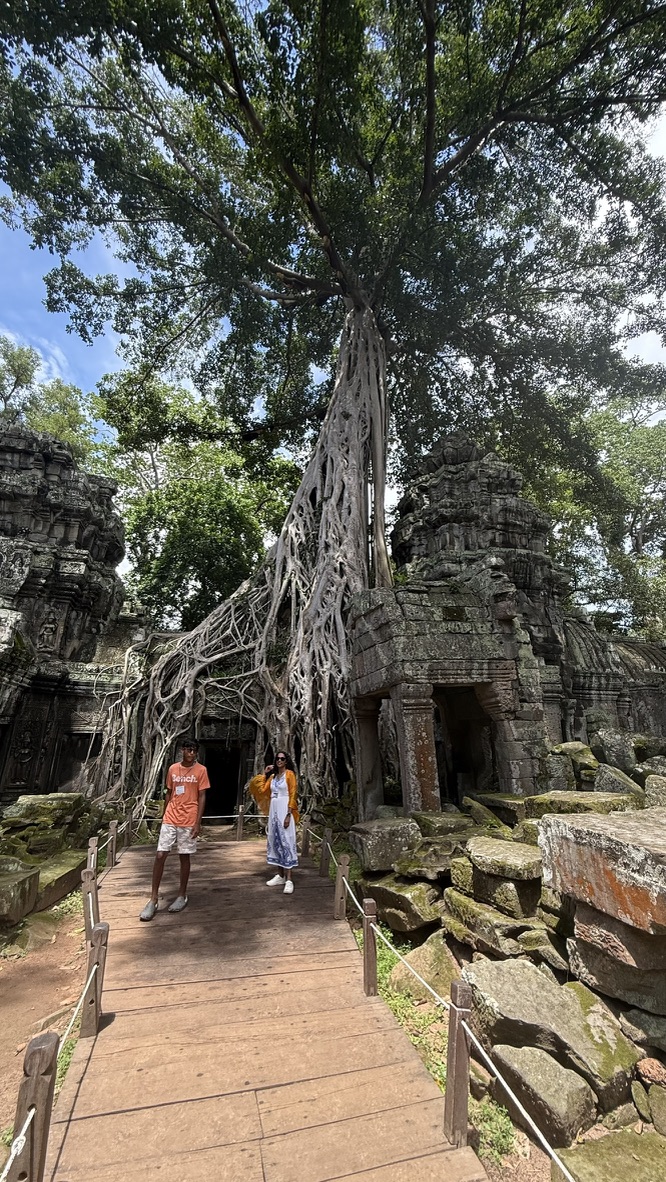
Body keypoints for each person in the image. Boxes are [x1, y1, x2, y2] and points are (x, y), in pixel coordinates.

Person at [139, 737, 209, 921]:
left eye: (194, 750)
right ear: (182, 750)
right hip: (171, 816)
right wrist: (164, 814)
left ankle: (182, 895)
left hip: (189, 818)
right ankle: (153, 899)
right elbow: (169, 791)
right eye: (188, 749)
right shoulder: (172, 769)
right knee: (160, 854)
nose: (191, 753)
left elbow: (202, 796)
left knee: (184, 856)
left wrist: (197, 822)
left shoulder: (201, 770)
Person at [249, 750, 299, 893]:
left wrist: (289, 814)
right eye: (277, 758)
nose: (279, 761)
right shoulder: (273, 777)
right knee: (275, 840)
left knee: (286, 841)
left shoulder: (289, 775)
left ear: (286, 761)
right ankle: (280, 875)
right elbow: (263, 790)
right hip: (274, 811)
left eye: (282, 758)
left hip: (285, 809)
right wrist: (265, 774)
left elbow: (293, 794)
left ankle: (289, 879)